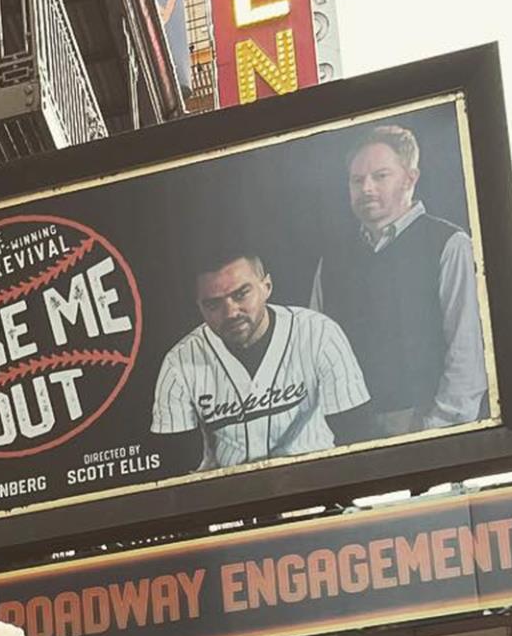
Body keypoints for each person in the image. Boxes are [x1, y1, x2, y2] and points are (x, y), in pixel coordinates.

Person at [310, 122, 490, 434]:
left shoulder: (449, 243)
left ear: (410, 178)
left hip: (421, 426)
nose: (366, 188)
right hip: (348, 436)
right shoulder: (331, 261)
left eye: (380, 176)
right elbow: (312, 356)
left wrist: (435, 431)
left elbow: (466, 353)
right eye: (357, 180)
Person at [151, 247, 369, 470]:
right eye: (214, 304)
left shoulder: (318, 332)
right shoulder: (179, 362)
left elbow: (356, 433)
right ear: (199, 307)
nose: (231, 312)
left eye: (241, 294)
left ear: (266, 287)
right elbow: (175, 464)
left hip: (317, 479)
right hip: (232, 493)